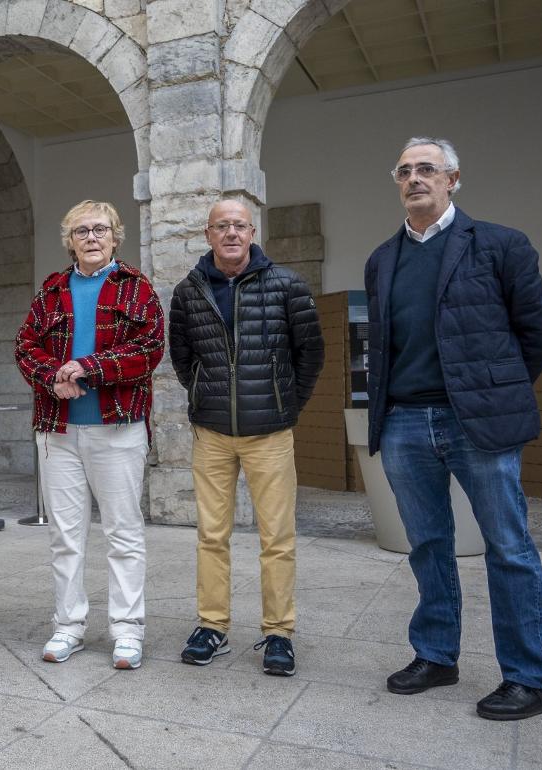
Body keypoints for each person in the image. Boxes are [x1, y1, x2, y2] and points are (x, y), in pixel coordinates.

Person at [366, 137, 542, 720]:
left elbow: (538, 337)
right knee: (427, 546)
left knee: (509, 547)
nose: (415, 178)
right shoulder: (382, 259)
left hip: (475, 422)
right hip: (403, 421)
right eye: (405, 170)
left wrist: (489, 394)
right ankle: (436, 654)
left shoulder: (500, 244)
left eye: (428, 168)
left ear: (454, 179)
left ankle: (530, 678)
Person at [169, 199, 324, 676]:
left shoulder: (286, 285)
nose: (231, 233)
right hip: (212, 432)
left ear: (253, 231)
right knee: (211, 536)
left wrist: (285, 404)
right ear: (208, 233)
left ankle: (279, 633)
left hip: (270, 433)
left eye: (239, 225)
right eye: (222, 226)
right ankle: (211, 627)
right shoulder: (189, 290)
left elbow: (310, 353)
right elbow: (181, 354)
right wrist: (204, 394)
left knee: (277, 537)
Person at [14, 200, 164, 669]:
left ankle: (127, 630)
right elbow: (25, 345)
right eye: (81, 231)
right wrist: (50, 375)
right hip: (58, 431)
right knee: (65, 537)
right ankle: (69, 626)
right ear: (70, 240)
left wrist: (88, 368)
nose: (92, 237)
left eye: (100, 229)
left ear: (115, 236)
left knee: (123, 533)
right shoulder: (52, 289)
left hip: (117, 429)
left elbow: (150, 348)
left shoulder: (136, 287)